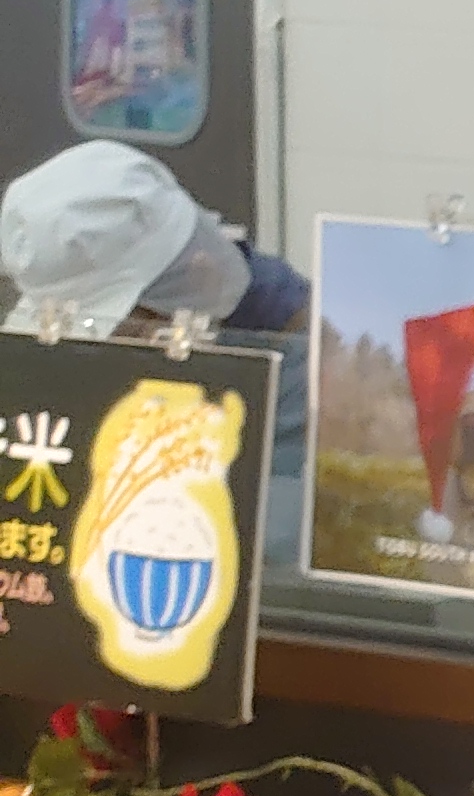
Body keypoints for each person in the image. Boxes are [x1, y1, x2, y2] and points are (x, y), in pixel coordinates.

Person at [0, 139, 313, 562]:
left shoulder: (297, 361)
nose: (93, 348)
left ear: (194, 278)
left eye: (116, 322)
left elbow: (272, 538)